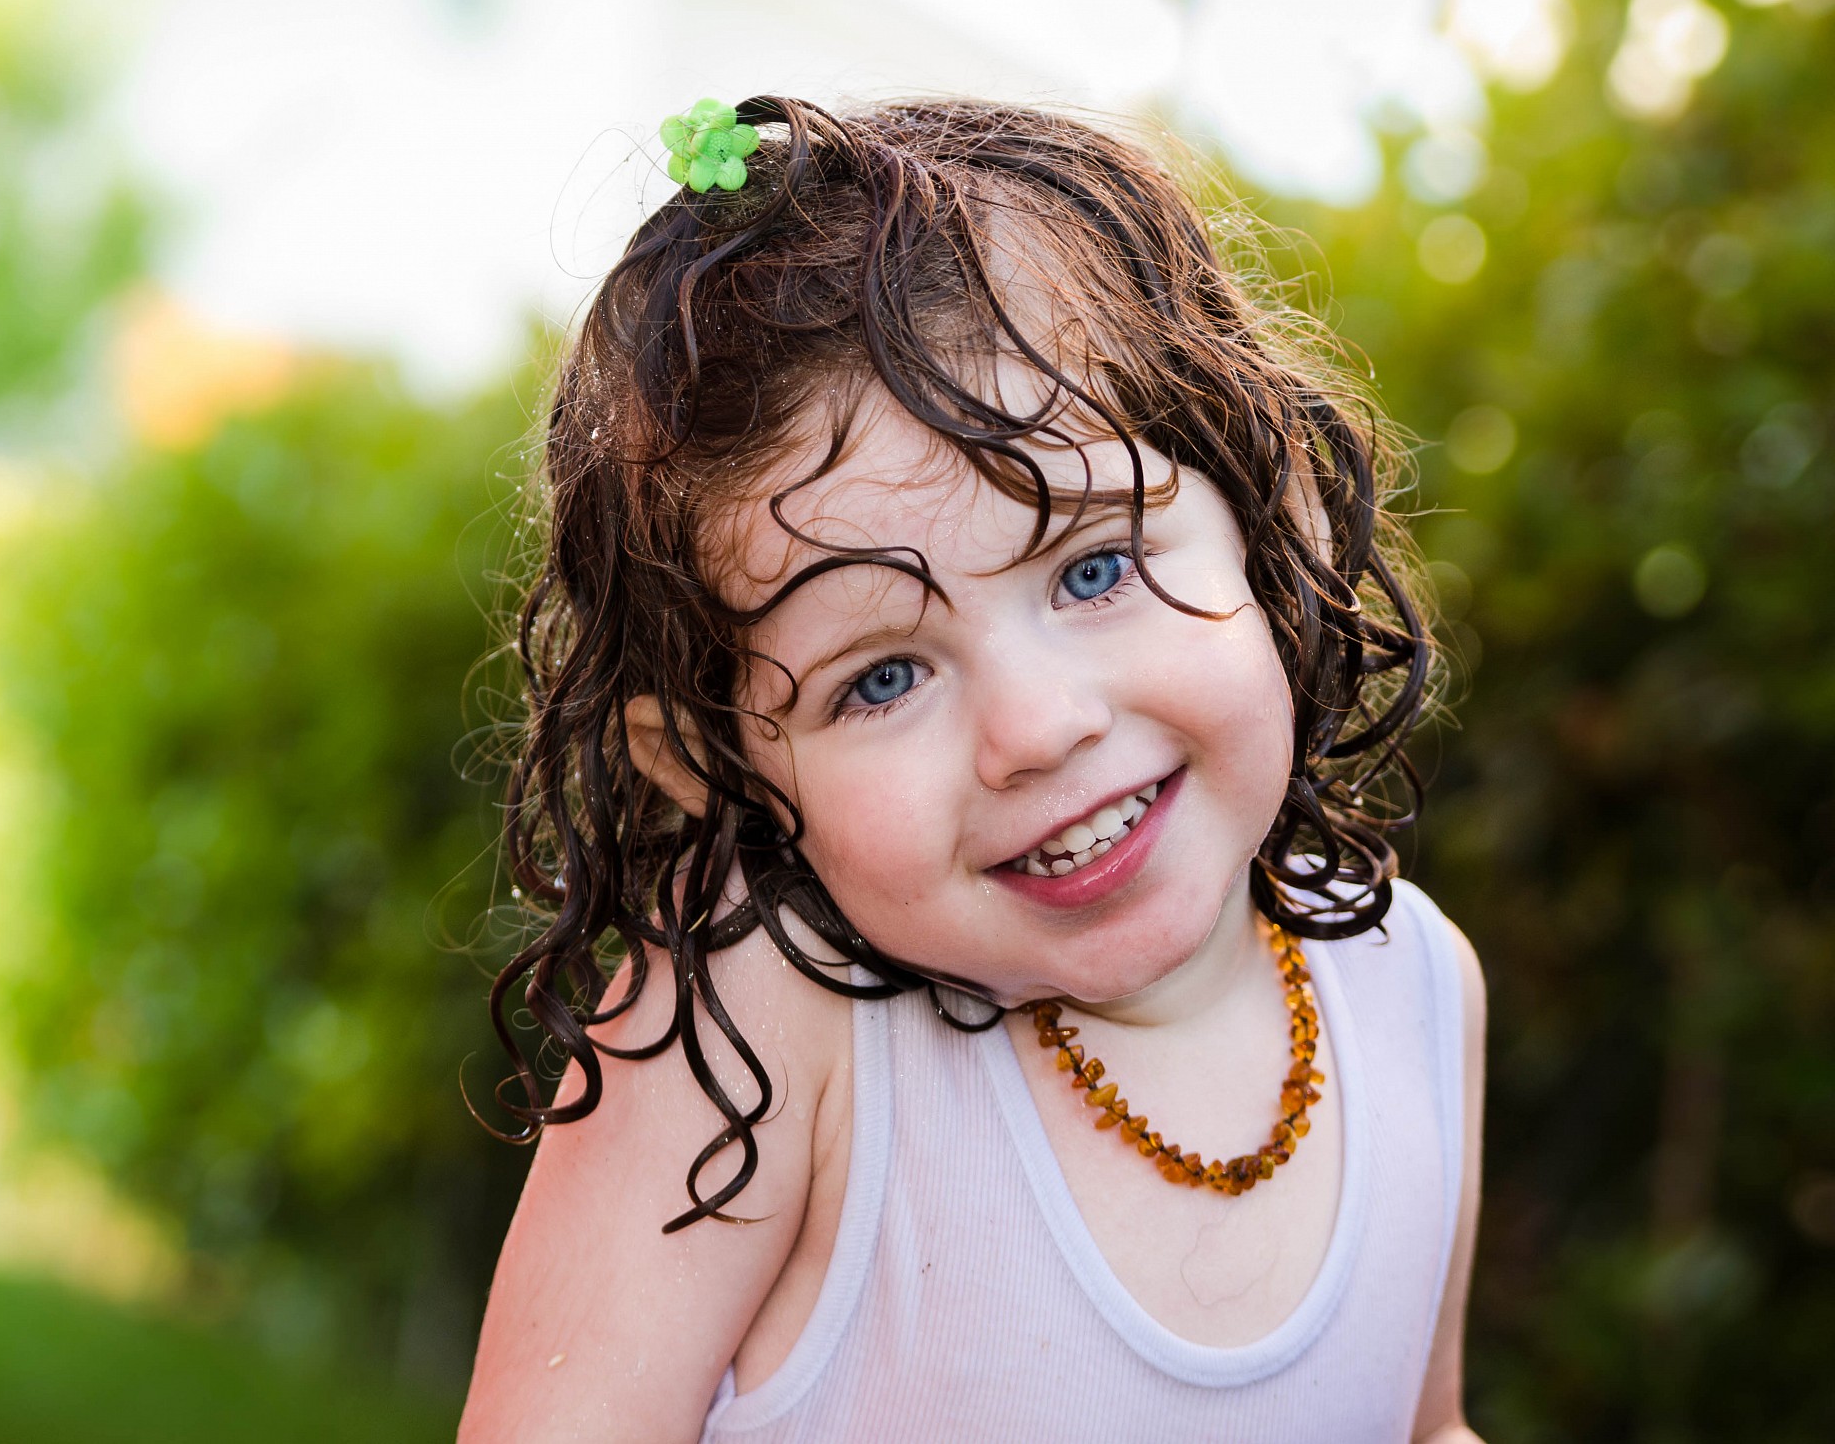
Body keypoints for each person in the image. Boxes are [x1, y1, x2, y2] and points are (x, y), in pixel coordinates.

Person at [459, 97, 1485, 1443]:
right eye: (883, 676)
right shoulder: (755, 1032)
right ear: (710, 762)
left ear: (1264, 509)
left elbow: (1424, 1425)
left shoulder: (1409, 982)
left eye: (1096, 567)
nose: (1038, 728)